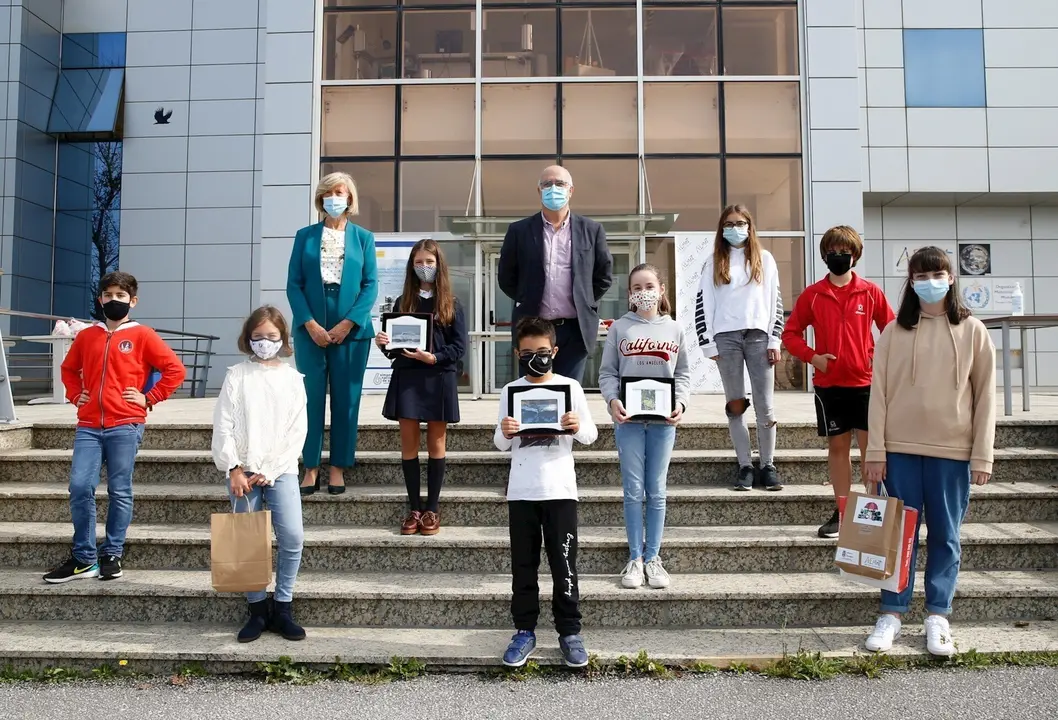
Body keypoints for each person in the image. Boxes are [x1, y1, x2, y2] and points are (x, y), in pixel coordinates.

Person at [862, 246, 995, 658]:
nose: (930, 282)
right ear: (911, 281)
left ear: (951, 278)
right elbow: (878, 394)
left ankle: (938, 615)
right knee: (897, 536)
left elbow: (986, 394)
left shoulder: (973, 331)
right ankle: (892, 613)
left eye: (937, 274)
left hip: (952, 451)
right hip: (899, 449)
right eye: (921, 275)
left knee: (945, 536)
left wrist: (982, 454)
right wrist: (875, 450)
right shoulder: (893, 332)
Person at [44, 271, 186, 583]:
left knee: (119, 490)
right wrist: (74, 394)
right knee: (80, 487)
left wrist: (149, 397)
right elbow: (69, 369)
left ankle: (111, 553)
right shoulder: (87, 336)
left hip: (126, 424)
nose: (114, 301)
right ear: (100, 300)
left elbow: (175, 370)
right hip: (89, 425)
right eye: (108, 295)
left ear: (132, 301)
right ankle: (84, 558)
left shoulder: (143, 335)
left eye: (121, 296)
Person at [495, 317, 598, 669]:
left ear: (554, 351)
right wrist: (506, 431)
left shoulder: (570, 387)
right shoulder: (511, 391)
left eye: (542, 352)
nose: (535, 358)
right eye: (527, 353)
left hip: (560, 490)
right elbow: (499, 442)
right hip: (522, 492)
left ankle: (570, 632)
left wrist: (577, 425)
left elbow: (591, 435)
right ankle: (524, 630)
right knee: (523, 567)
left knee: (564, 564)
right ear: (517, 354)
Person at [782, 226, 894, 538]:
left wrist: (881, 362)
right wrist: (813, 357)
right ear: (824, 256)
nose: (838, 257)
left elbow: (893, 330)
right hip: (829, 387)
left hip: (867, 385)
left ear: (855, 255)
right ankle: (844, 512)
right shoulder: (813, 295)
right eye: (832, 252)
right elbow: (790, 334)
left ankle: (871, 514)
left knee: (870, 450)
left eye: (844, 252)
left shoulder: (870, 292)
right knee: (838, 448)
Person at [212, 306, 308, 643]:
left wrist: (272, 468)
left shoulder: (293, 379)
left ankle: (282, 605)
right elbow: (223, 423)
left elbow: (298, 429)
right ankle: (256, 609)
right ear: (247, 338)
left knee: (293, 536)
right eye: (258, 337)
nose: (264, 343)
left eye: (271, 337)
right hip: (242, 470)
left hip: (280, 470)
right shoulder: (237, 374)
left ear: (282, 338)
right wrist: (233, 468)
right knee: (247, 540)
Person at [598, 264, 690, 590]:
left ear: (661, 289)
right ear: (630, 294)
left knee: (658, 491)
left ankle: (654, 558)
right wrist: (612, 402)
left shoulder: (675, 330)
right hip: (629, 423)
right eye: (636, 287)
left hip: (664, 422)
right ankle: (635, 558)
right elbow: (607, 373)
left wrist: (680, 403)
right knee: (633, 492)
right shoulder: (619, 329)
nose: (643, 291)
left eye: (649, 285)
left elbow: (683, 375)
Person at [287, 171, 379, 496]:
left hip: (351, 330)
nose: (334, 197)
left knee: (346, 400)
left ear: (350, 198)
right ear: (320, 198)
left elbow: (370, 285)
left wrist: (348, 323)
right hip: (311, 327)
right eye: (328, 192)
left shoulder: (363, 238)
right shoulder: (305, 236)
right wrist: (309, 323)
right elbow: (293, 285)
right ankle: (310, 466)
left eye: (340, 192)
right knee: (309, 400)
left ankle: (339, 466)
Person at [375, 239, 468, 536]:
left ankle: (433, 509)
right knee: (409, 445)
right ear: (411, 266)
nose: (424, 267)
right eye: (418, 262)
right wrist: (384, 344)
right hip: (408, 378)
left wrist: (434, 357)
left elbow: (459, 347)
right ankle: (414, 508)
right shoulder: (402, 303)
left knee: (437, 444)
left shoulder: (452, 304)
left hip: (439, 376)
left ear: (439, 264)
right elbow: (394, 350)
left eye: (429, 262)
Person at [695, 205, 785, 491]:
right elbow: (703, 303)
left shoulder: (765, 259)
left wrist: (775, 339)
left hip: (759, 337)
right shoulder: (713, 262)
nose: (736, 228)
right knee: (736, 406)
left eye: (741, 223)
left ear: (750, 226)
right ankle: (745, 465)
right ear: (722, 228)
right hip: (727, 338)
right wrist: (706, 342)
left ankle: (768, 465)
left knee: (765, 406)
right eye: (730, 223)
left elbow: (775, 302)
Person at [498, 165, 613, 384]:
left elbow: (603, 276)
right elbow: (506, 277)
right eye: (547, 184)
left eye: (559, 184)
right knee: (533, 395)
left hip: (574, 329)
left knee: (568, 394)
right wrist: (527, 296)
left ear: (571, 191)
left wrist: (583, 299)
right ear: (538, 191)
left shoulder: (592, 230)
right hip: (533, 328)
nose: (553, 189)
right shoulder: (518, 231)